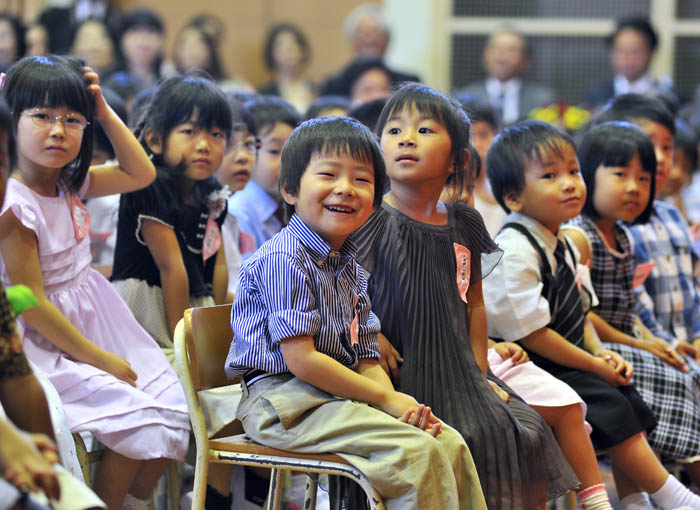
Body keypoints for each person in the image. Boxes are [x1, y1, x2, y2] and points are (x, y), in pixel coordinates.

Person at [226, 115, 486, 510]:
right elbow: (302, 360)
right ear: (291, 190)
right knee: (416, 453)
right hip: (283, 403)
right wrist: (384, 400)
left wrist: (394, 402)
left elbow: (366, 356)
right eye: (329, 174)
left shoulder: (348, 267)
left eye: (362, 180)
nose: (345, 189)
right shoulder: (285, 257)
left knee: (445, 440)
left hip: (329, 396)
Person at [353, 83, 578, 510]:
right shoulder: (370, 218)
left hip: (458, 370)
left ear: (457, 160)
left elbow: (474, 304)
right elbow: (342, 290)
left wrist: (480, 375)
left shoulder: (463, 222)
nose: (406, 138)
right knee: (467, 436)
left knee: (525, 431)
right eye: (395, 129)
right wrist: (371, 333)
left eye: (424, 131)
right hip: (398, 373)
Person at [0, 55, 190, 510]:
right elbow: (31, 303)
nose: (58, 130)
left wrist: (103, 111)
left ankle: (131, 504)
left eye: (72, 119)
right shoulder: (15, 203)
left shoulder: (69, 182)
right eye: (41, 117)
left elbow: (140, 172)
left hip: (98, 321)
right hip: (51, 342)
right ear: (11, 122)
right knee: (141, 424)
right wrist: (100, 360)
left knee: (175, 413)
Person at [481, 119, 700, 510]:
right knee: (609, 400)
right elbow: (534, 335)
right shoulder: (513, 249)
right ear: (513, 197)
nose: (569, 183)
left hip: (565, 358)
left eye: (572, 171)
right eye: (550, 175)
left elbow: (582, 313)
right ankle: (677, 498)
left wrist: (601, 354)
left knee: (629, 398)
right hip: (528, 364)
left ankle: (634, 499)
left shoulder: (562, 240)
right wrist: (595, 366)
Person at [440, 144, 615, 510]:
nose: (458, 196)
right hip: (446, 366)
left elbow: (472, 310)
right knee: (522, 425)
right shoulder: (402, 242)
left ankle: (598, 502)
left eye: (466, 185)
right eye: (444, 183)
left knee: (564, 407)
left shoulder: (466, 241)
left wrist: (490, 344)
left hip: (480, 357)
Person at [564, 121, 700, 488]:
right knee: (679, 377)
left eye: (643, 179)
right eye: (621, 174)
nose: (633, 187)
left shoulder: (622, 234)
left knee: (685, 365)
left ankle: (638, 494)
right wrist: (640, 345)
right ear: (587, 176)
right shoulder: (579, 236)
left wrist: (658, 341)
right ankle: (685, 479)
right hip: (590, 346)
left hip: (622, 340)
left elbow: (628, 308)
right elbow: (584, 316)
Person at [111, 75, 232, 356]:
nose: (204, 145)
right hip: (149, 305)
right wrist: (187, 349)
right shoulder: (149, 185)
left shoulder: (211, 191)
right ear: (155, 139)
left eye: (216, 135)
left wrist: (214, 312)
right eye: (190, 132)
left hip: (190, 302)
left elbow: (218, 262)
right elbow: (171, 269)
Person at [592, 94, 700, 363]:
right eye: (649, 144)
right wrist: (670, 345)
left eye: (668, 147)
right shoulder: (613, 224)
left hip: (688, 347)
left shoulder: (673, 217)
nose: (661, 158)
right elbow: (634, 305)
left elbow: (693, 288)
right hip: (649, 351)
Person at [228, 96, 301, 259]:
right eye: (274, 151)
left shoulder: (294, 207)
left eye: (295, 153)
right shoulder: (238, 213)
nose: (288, 163)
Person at [454, 28, 555, 126]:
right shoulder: (465, 98)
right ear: (485, 55)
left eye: (511, 49)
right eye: (495, 47)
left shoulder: (542, 99)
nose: (502, 54)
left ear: (525, 59)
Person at [215, 97, 256, 301]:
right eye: (230, 144)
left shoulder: (225, 209)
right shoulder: (207, 213)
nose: (242, 157)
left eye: (249, 144)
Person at [584, 17, 676, 109]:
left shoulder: (668, 98)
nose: (628, 58)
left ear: (651, 53)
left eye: (635, 51)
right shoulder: (596, 98)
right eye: (621, 51)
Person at [258, 23, 316, 114]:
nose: (289, 50)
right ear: (271, 53)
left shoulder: (317, 90)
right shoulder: (264, 95)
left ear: (302, 50)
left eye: (293, 44)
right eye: (281, 46)